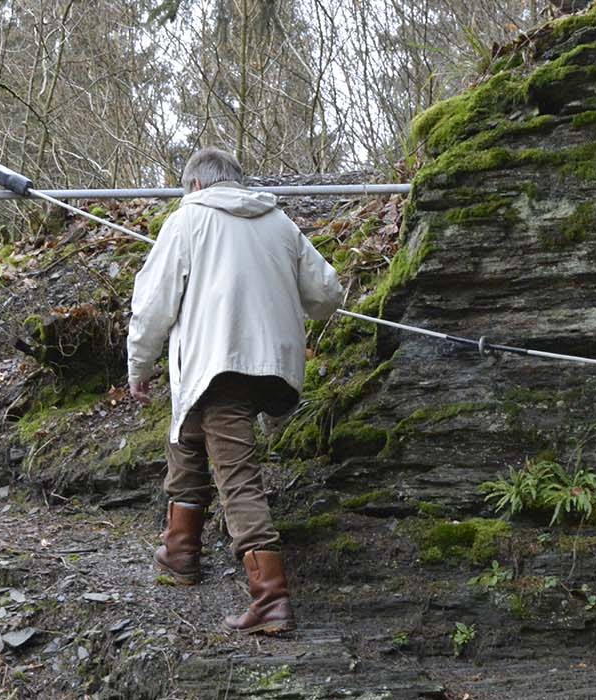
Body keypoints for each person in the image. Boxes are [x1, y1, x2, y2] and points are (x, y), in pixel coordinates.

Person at [126, 147, 345, 636]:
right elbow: (328, 294)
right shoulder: (279, 223)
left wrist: (138, 367)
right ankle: (180, 552)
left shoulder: (187, 222)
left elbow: (151, 307)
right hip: (271, 368)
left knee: (238, 479)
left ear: (196, 186)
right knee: (185, 433)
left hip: (219, 365)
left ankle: (270, 600)